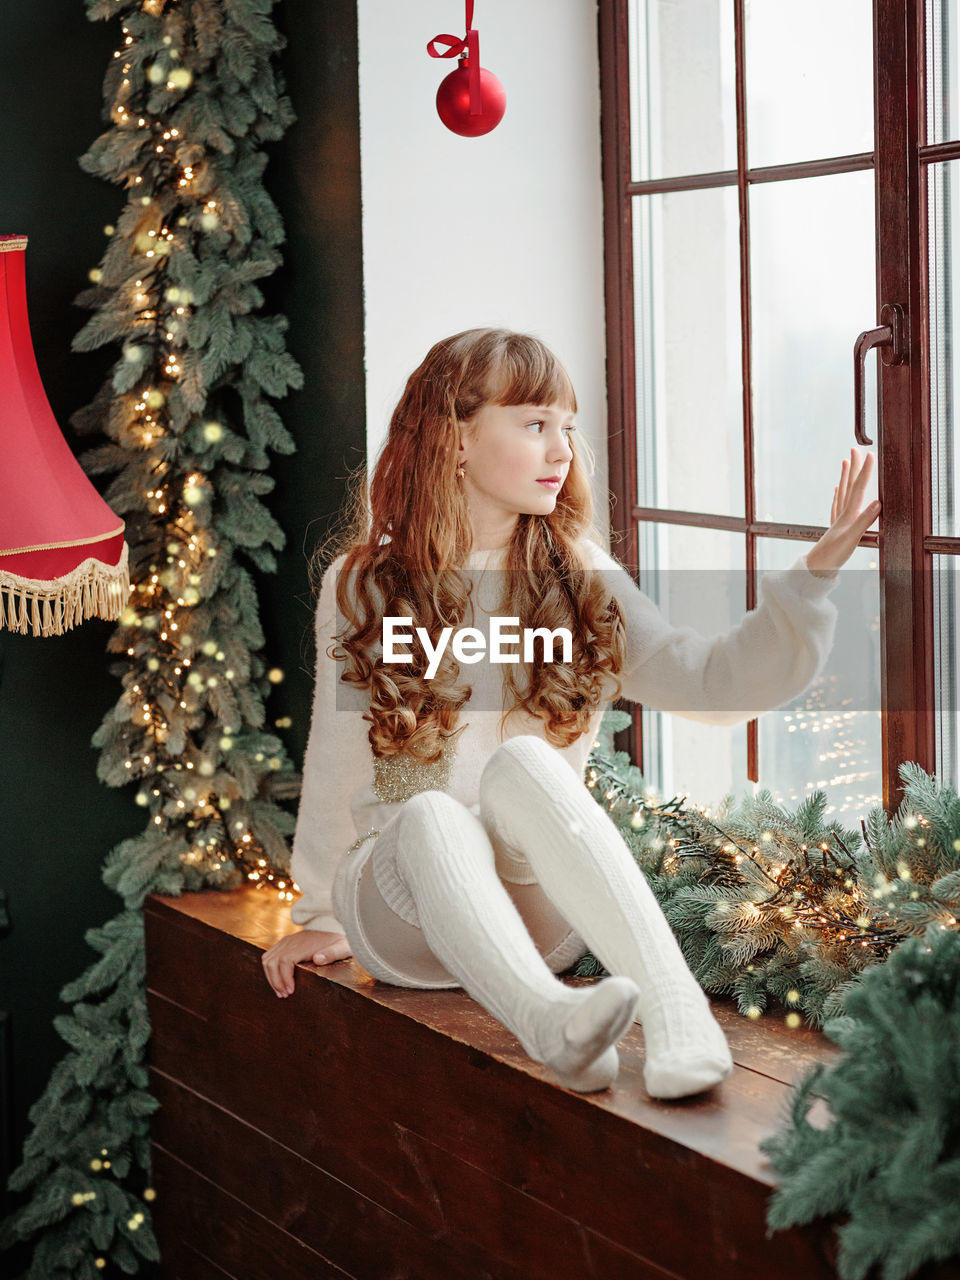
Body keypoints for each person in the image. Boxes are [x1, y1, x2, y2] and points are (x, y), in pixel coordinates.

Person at [261, 327, 880, 1098]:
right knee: (429, 814)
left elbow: (711, 681)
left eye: (568, 427)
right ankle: (549, 1022)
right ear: (455, 438)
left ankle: (674, 1014)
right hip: (402, 912)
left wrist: (814, 577)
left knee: (523, 765)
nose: (563, 452)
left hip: (535, 916)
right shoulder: (365, 585)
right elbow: (339, 761)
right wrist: (319, 911)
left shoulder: (578, 574)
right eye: (534, 424)